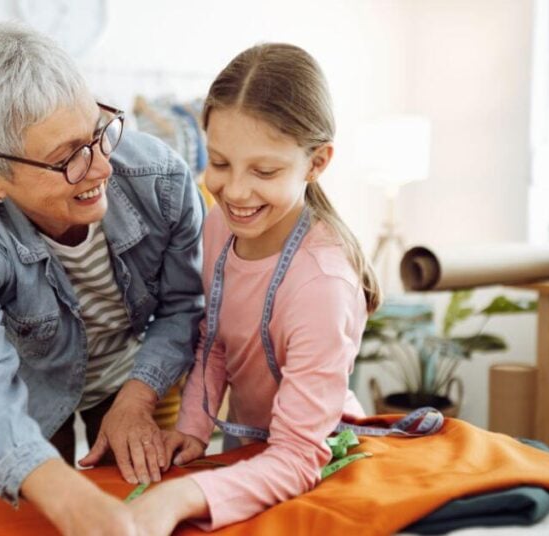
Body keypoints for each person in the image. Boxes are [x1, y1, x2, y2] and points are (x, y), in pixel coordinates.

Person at [0, 22, 204, 535]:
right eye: (67, 157)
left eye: (99, 131)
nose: (101, 168)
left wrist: (139, 396)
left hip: (138, 371)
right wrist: (69, 500)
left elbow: (184, 307)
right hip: (29, 398)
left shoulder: (160, 178)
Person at [128, 43, 383, 533]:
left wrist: (181, 496)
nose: (236, 192)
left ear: (317, 162)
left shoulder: (322, 285)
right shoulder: (221, 227)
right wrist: (193, 429)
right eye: (220, 163)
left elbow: (298, 456)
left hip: (318, 468)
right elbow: (216, 340)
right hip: (250, 460)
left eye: (264, 171)